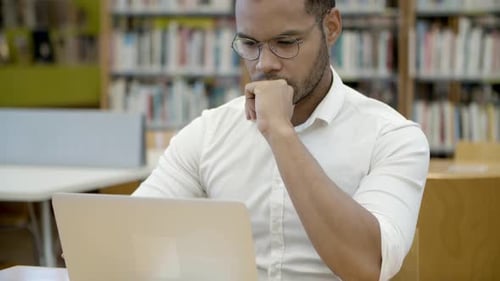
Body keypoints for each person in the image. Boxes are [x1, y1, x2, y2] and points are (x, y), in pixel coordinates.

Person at [132, 0, 430, 280]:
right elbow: (130, 235)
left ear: (331, 28)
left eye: (286, 43)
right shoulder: (209, 131)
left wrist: (280, 132)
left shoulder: (392, 137)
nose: (265, 64)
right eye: (250, 44)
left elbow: (367, 266)